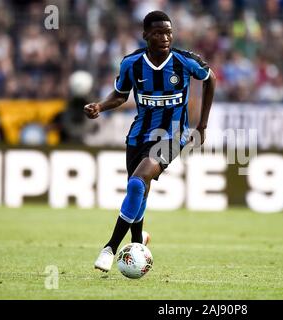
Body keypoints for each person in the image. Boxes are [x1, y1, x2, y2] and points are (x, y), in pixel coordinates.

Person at [84, 11, 216, 272]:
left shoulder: (184, 61)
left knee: (137, 181)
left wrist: (202, 124)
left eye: (168, 32)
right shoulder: (131, 63)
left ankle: (109, 248)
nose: (165, 37)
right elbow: (121, 95)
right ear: (145, 35)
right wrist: (100, 105)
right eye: (158, 33)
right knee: (138, 191)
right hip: (138, 134)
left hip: (173, 134)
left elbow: (210, 78)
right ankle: (137, 241)